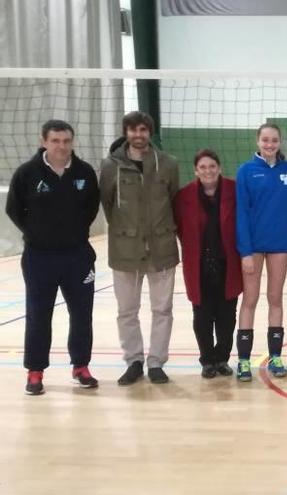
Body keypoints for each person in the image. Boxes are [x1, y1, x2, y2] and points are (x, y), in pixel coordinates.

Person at [6, 119, 100, 395]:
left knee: (82, 315)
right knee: (38, 315)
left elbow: (91, 208)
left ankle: (80, 366)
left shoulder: (84, 172)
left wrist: (73, 234)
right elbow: (14, 210)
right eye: (56, 141)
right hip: (39, 258)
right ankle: (35, 372)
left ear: (72, 142)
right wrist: (37, 234)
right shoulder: (27, 174)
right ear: (43, 141)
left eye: (66, 141)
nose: (62, 146)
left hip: (78, 257)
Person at [99, 111, 179, 386]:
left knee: (163, 309)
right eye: (133, 130)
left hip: (162, 248)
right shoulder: (110, 166)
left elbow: (173, 202)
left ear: (150, 133)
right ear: (126, 132)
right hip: (125, 250)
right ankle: (133, 361)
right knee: (127, 311)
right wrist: (128, 231)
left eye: (143, 130)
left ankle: (157, 362)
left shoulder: (168, 164)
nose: (138, 135)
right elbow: (108, 205)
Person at [235, 123, 287, 381]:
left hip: (280, 246)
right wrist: (245, 252)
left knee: (275, 298)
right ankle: (243, 361)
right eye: (265, 140)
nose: (270, 144)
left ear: (280, 142)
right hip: (253, 248)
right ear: (257, 141)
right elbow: (241, 213)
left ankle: (276, 357)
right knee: (250, 300)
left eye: (274, 140)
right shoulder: (246, 171)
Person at [174, 149, 242, 379]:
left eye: (212, 166)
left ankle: (222, 358)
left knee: (227, 316)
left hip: (228, 263)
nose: (208, 171)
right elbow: (179, 227)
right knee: (202, 316)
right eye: (202, 167)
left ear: (219, 168)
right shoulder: (184, 195)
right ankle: (207, 360)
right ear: (195, 171)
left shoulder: (233, 190)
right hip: (199, 264)